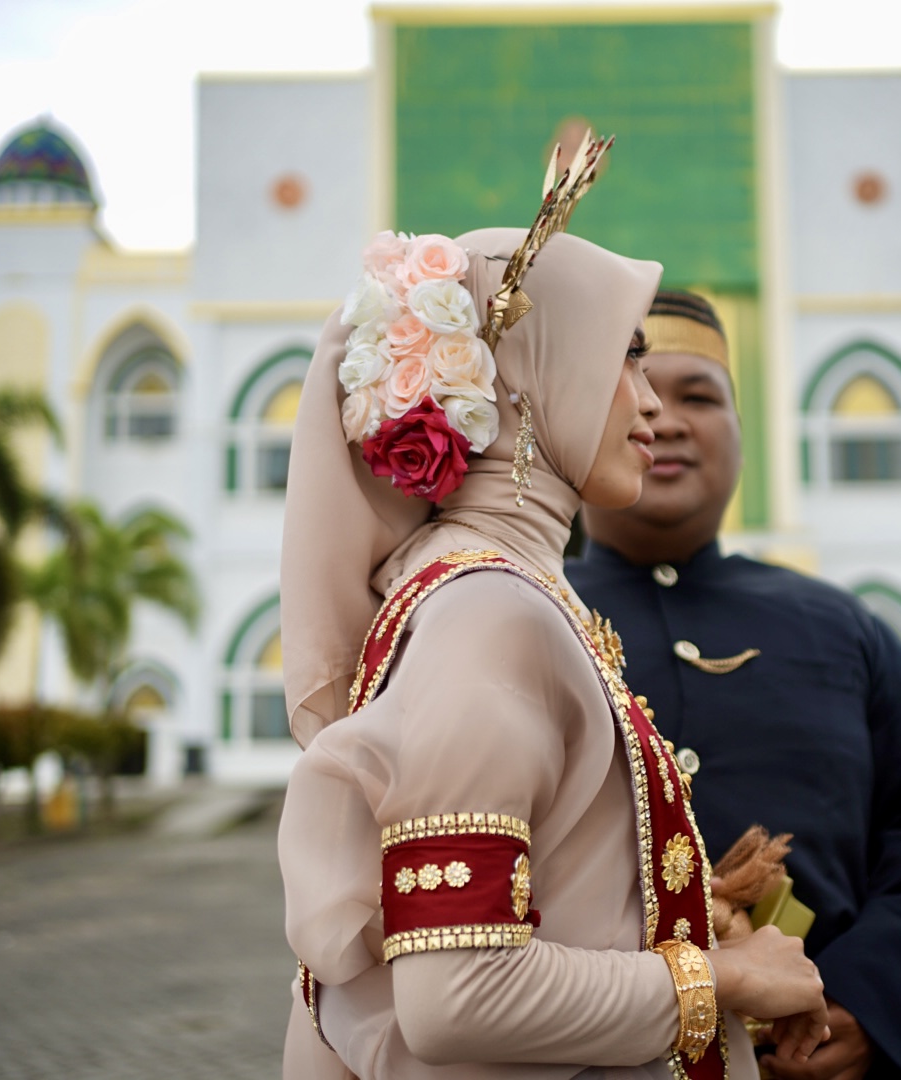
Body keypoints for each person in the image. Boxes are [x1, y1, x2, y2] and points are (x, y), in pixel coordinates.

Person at [276, 149, 831, 1080]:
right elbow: (460, 995)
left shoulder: (498, 592)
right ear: (525, 374)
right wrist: (724, 980)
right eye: (627, 356)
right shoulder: (488, 614)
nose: (651, 404)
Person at [567, 291, 901, 1080]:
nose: (666, 417)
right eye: (636, 389)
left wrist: (872, 1001)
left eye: (701, 397)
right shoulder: (512, 609)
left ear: (742, 433)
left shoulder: (841, 627)